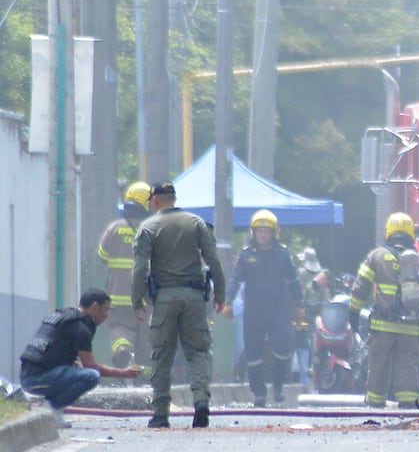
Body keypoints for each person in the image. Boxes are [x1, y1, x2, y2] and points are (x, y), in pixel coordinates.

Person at [131, 182, 226, 429]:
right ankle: (201, 402)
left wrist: (136, 300)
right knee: (198, 352)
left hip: (164, 299)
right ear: (173, 198)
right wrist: (221, 294)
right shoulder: (196, 223)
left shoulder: (148, 227)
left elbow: (140, 269)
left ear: (154, 201)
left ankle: (161, 413)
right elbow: (214, 261)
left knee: (162, 355)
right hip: (195, 298)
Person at [350, 212, 419, 409]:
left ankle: (375, 404)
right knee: (408, 366)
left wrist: (354, 313)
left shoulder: (376, 256)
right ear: (411, 234)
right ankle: (408, 403)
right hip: (411, 327)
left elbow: (360, 288)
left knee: (378, 366)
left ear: (388, 232)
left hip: (383, 327)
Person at [19, 289, 142, 427]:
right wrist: (123, 373)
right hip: (37, 379)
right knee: (91, 376)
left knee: (78, 369)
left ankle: (51, 411)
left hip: (28, 376)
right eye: (106, 310)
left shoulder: (63, 317)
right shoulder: (80, 327)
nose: (107, 316)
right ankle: (51, 410)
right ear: (95, 307)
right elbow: (91, 366)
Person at [223, 209, 303, 407]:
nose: (262, 235)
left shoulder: (283, 255)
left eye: (266, 232)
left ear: (274, 233)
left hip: (278, 311)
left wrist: (299, 305)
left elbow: (294, 282)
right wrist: (227, 301)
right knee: (253, 355)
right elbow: (235, 279)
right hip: (254, 312)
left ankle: (277, 386)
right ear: (253, 233)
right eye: (259, 231)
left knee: (283, 348)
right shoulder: (245, 256)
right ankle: (259, 392)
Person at [97, 181, 154, 374]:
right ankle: (142, 376)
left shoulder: (114, 228)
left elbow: (102, 256)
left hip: (117, 298)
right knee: (144, 338)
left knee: (119, 330)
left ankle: (122, 350)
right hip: (144, 301)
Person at [295, 247, 331, 389]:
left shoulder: (301, 273)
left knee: (302, 341)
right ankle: (312, 374)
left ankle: (304, 376)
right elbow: (327, 295)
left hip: (304, 313)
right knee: (314, 341)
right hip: (318, 314)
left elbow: (298, 293)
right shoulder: (323, 274)